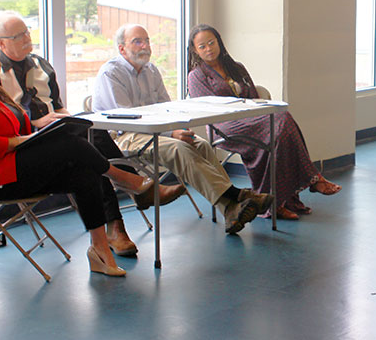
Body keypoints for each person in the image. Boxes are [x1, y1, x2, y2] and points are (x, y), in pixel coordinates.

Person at [0, 36, 162, 277]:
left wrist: (33, 136)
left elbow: (15, 130)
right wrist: (26, 141)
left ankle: (100, 251)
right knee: (69, 143)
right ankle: (126, 179)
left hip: (10, 167)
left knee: (84, 172)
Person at [0, 11, 184, 259]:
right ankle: (131, 193)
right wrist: (37, 122)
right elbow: (3, 121)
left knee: (91, 133)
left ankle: (118, 223)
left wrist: (66, 118)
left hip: (55, 132)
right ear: (1, 42)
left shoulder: (42, 65)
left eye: (27, 31)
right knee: (85, 149)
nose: (27, 38)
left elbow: (57, 104)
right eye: (18, 36)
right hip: (27, 140)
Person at [92, 24, 271, 235]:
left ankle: (231, 209)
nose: (145, 46)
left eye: (147, 40)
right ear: (122, 49)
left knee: (200, 144)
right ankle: (236, 195)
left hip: (154, 132)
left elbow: (167, 108)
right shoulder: (111, 73)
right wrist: (171, 134)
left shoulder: (151, 70)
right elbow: (128, 120)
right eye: (137, 41)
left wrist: (179, 130)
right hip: (123, 136)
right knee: (180, 149)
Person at [185, 24, 341, 220]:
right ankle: (311, 180)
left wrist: (249, 109)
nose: (209, 49)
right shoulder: (196, 76)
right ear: (195, 50)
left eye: (211, 43)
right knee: (280, 123)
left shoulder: (236, 67)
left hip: (252, 118)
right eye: (202, 46)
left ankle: (276, 203)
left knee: (280, 127)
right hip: (225, 126)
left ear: (219, 42)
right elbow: (211, 110)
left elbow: (254, 96)